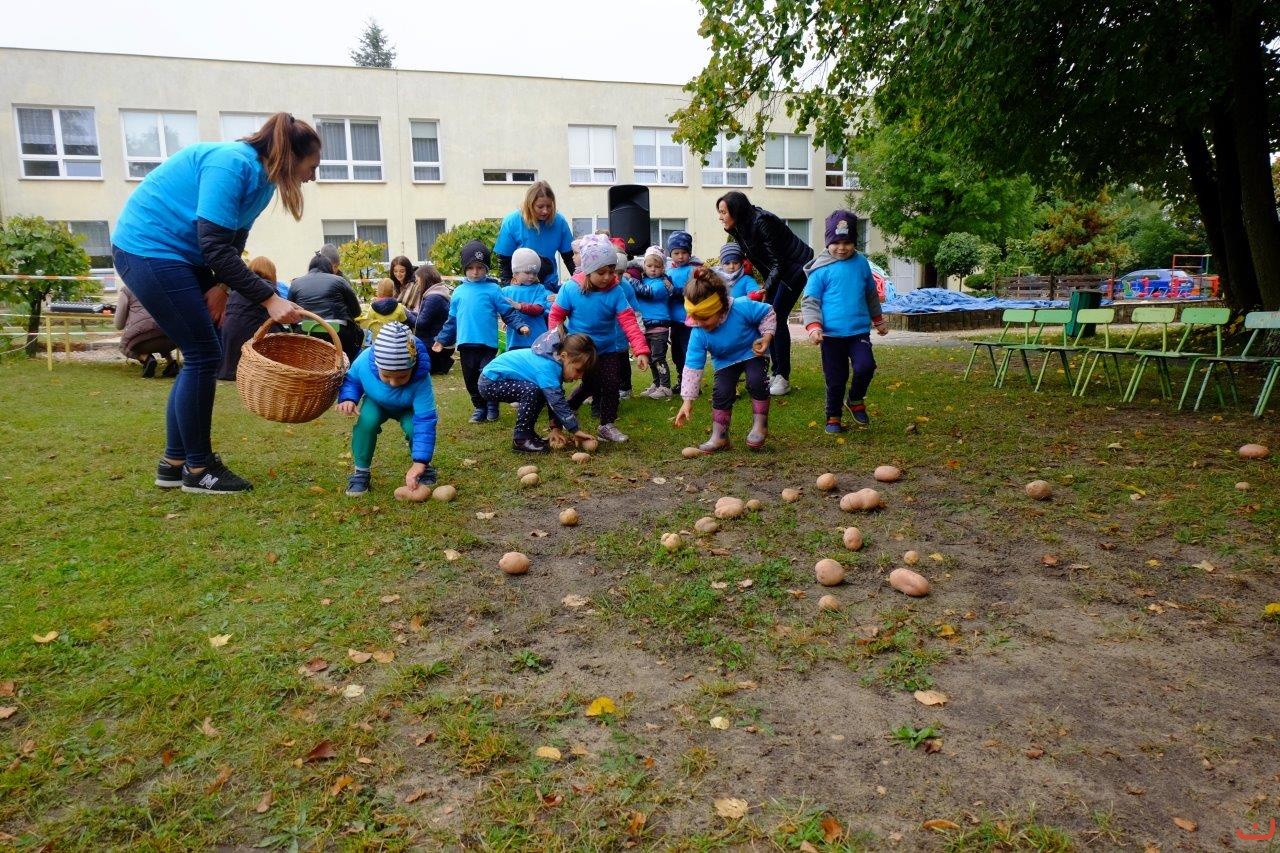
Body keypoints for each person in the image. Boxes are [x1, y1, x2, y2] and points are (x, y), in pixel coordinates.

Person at [110, 111, 314, 494]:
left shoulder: (263, 183)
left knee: (200, 354)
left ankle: (174, 463)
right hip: (149, 249)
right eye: (311, 166)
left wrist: (221, 285)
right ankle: (199, 468)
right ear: (291, 157)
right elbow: (215, 247)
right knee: (204, 354)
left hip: (185, 257)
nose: (312, 176)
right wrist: (269, 299)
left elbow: (233, 241)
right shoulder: (230, 164)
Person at [547, 237, 650, 443]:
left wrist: (640, 350)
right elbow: (556, 316)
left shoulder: (616, 291)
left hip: (607, 349)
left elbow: (629, 321)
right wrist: (556, 341)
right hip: (581, 350)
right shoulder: (570, 289)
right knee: (589, 385)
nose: (608, 277)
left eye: (611, 271)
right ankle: (565, 413)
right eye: (601, 272)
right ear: (587, 270)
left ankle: (606, 425)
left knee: (611, 384)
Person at [716, 190, 815, 396]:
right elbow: (762, 261)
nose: (720, 217)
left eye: (724, 212)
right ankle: (775, 372)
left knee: (776, 316)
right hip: (779, 272)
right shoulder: (740, 228)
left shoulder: (762, 222)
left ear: (736, 211)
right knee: (767, 316)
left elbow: (778, 262)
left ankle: (782, 376)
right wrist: (766, 286)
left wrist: (767, 287)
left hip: (795, 268)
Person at [802, 210, 889, 432]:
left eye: (847, 242)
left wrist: (878, 319)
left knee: (866, 366)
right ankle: (833, 416)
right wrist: (813, 327)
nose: (842, 248)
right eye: (836, 242)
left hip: (858, 332)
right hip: (831, 336)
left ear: (854, 242)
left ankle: (855, 399)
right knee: (836, 378)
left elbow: (870, 294)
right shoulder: (821, 269)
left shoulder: (861, 263)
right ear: (828, 242)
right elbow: (810, 301)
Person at [673, 267, 777, 453]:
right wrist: (687, 401)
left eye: (705, 318)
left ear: (720, 306)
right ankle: (720, 436)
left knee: (756, 381)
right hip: (725, 361)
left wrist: (767, 337)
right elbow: (692, 366)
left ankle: (760, 426)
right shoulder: (698, 331)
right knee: (721, 393)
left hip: (752, 353)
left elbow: (767, 312)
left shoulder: (741, 307)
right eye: (695, 318)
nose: (699, 323)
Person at [336, 322, 439, 498]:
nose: (393, 383)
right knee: (366, 423)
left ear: (413, 366)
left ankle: (423, 467)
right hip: (376, 402)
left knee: (414, 428)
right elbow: (352, 380)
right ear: (376, 365)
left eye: (402, 377)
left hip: (407, 408)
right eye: (386, 376)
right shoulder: (364, 361)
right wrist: (348, 398)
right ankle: (361, 472)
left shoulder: (421, 379)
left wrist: (420, 461)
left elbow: (425, 420)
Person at [432, 240, 530, 423]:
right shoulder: (458, 292)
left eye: (479, 267)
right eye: (470, 268)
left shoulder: (493, 289)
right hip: (466, 345)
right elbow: (452, 321)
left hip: (487, 344)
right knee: (471, 380)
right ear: (464, 269)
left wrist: (519, 325)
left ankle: (492, 405)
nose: (475, 272)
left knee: (488, 375)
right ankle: (479, 407)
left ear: (486, 268)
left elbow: (507, 312)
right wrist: (441, 340)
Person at [479, 329, 598, 453]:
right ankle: (521, 439)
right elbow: (556, 402)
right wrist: (575, 429)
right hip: (491, 381)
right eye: (578, 370)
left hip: (496, 380)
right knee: (532, 391)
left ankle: (528, 434)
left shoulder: (553, 363)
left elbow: (553, 398)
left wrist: (556, 429)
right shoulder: (548, 366)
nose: (580, 376)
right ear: (564, 356)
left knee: (540, 392)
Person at [493, 181, 576, 291]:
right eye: (540, 206)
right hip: (521, 287)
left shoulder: (559, 221)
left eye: (549, 206)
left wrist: (579, 283)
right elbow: (504, 262)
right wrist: (508, 290)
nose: (545, 211)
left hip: (548, 286)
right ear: (529, 205)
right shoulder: (512, 222)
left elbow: (570, 258)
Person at [288, 253, 363, 364]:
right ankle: (346, 366)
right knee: (357, 337)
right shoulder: (340, 281)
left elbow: (290, 312)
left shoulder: (295, 283)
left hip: (304, 332)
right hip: (338, 332)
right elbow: (356, 312)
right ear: (329, 267)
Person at [217, 255, 283, 380]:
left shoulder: (237, 289)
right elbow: (277, 317)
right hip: (250, 334)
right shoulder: (270, 290)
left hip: (229, 333)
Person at [632, 245, 674, 399]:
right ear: (644, 265)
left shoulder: (662, 283)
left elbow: (648, 292)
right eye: (649, 266)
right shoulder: (643, 280)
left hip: (659, 326)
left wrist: (631, 280)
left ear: (663, 268)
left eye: (657, 266)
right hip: (646, 326)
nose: (653, 269)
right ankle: (657, 384)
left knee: (658, 357)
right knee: (650, 358)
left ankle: (665, 386)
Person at [115, 283, 178, 377]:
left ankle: (146, 359)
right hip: (173, 339)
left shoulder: (127, 289)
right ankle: (171, 364)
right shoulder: (164, 285)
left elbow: (119, 324)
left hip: (143, 340)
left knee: (123, 346)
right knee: (161, 331)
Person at [664, 231, 702, 379]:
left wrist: (674, 291)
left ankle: (692, 381)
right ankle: (681, 379)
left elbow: (693, 291)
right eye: (676, 253)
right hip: (674, 321)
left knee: (688, 351)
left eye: (684, 252)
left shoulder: (693, 270)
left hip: (689, 320)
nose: (680, 256)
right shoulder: (669, 271)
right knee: (676, 352)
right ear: (670, 254)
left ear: (689, 253)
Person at [501, 247, 553, 350]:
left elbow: (539, 309)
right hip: (515, 340)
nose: (532, 276)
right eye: (527, 272)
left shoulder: (539, 288)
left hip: (537, 339)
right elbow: (504, 311)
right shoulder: (506, 291)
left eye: (535, 273)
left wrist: (520, 306)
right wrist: (505, 319)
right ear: (515, 273)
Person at [408, 264, 454, 375]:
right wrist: (410, 313)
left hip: (433, 344)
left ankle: (441, 363)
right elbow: (423, 317)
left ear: (425, 280)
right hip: (436, 342)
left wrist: (406, 314)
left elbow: (421, 324)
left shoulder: (433, 298)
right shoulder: (436, 294)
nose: (417, 285)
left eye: (418, 281)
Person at [356, 277, 410, 343]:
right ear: (393, 291)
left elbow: (368, 321)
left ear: (378, 291)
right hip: (395, 341)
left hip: (377, 341)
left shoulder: (372, 308)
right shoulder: (399, 307)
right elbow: (403, 320)